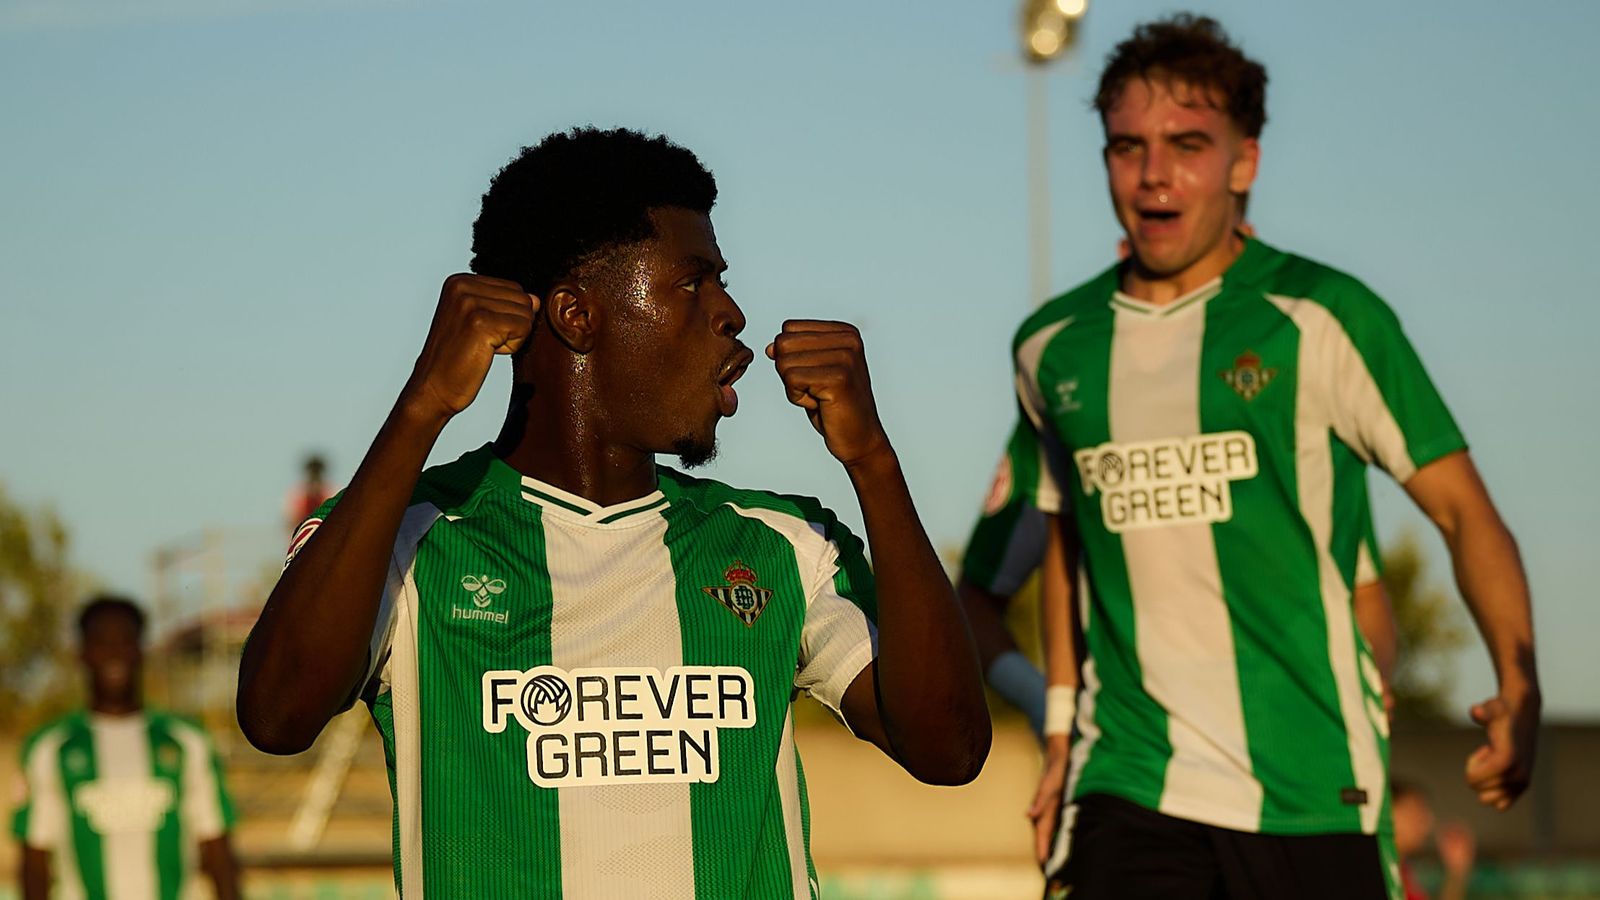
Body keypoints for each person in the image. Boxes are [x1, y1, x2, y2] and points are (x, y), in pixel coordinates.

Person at [236, 126, 990, 898]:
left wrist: (875, 464)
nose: (731, 313)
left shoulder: (784, 545)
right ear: (576, 315)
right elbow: (278, 714)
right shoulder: (409, 537)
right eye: (694, 282)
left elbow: (949, 749)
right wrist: (424, 406)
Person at [1010, 14, 1538, 899]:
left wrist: (1519, 685)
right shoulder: (1051, 347)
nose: (1153, 175)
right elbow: (1068, 548)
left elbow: (1463, 511)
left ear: (1244, 163)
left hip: (1311, 788)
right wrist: (1064, 732)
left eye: (1188, 144)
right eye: (1127, 147)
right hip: (1131, 781)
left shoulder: (1327, 318)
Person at [959, 422, 1398, 738]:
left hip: (1289, 752)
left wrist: (1368, 685)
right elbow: (974, 600)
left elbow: (1364, 591)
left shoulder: (1293, 381)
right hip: (1125, 758)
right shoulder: (1067, 384)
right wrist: (1046, 702)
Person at [12, 596, 241, 900]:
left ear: (141, 650)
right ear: (82, 654)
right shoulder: (50, 748)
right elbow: (35, 859)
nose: (114, 653)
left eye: (125, 641)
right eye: (101, 642)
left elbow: (218, 851)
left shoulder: (187, 742)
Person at [1391, 778, 1476, 900]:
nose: (1428, 822)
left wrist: (1456, 872)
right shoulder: (1376, 871)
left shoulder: (1401, 872)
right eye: (1415, 812)